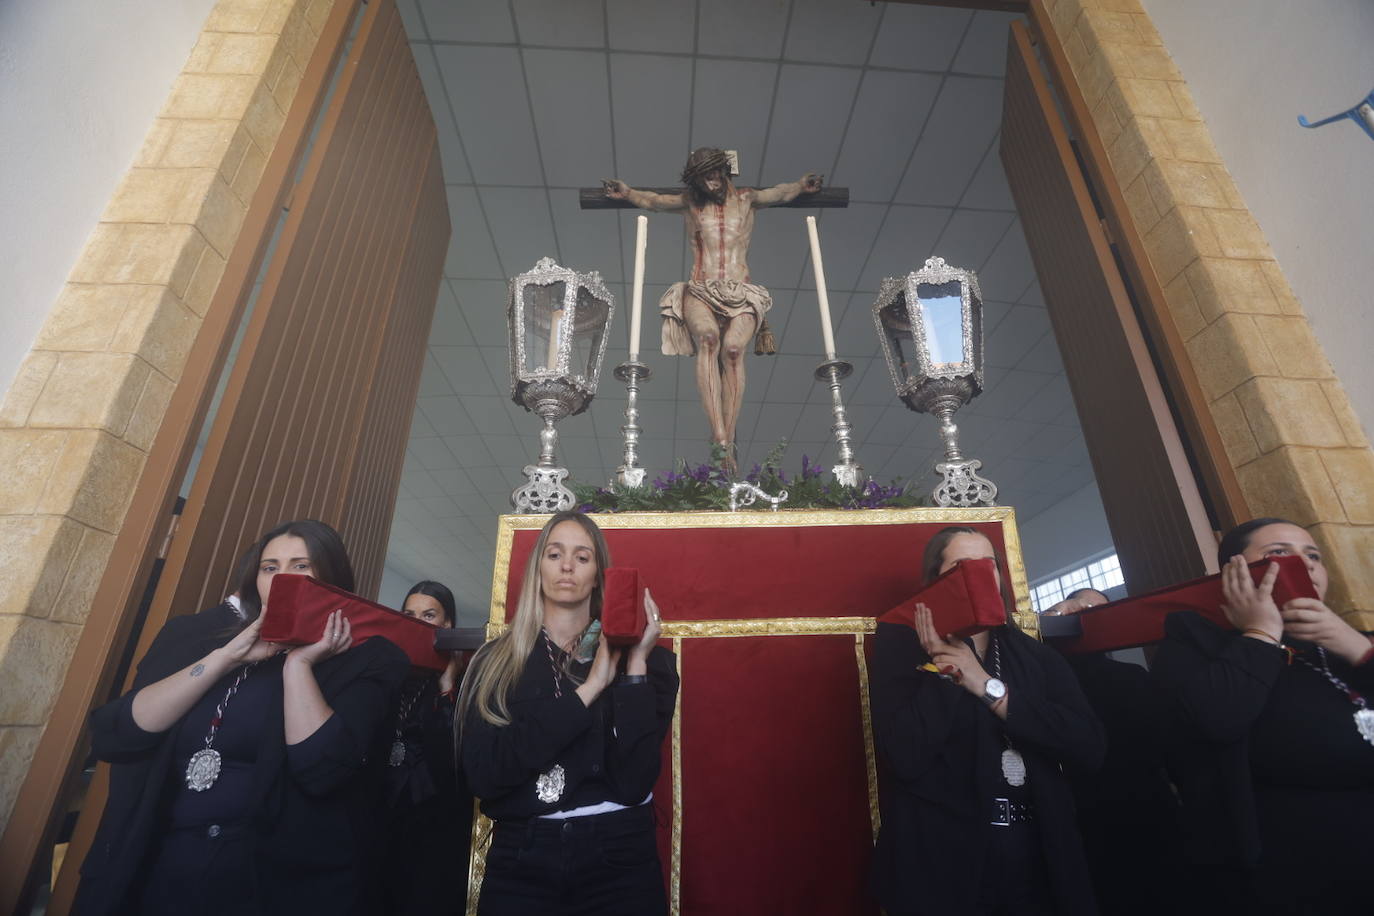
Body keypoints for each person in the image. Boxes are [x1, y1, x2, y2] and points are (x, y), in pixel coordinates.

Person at [75, 519, 409, 916]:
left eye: (301, 566)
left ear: (332, 578)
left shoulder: (368, 658)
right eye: (270, 567)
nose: (283, 578)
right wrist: (224, 659)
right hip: (159, 864)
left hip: (267, 881)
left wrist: (299, 665)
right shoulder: (196, 636)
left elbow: (323, 770)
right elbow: (118, 735)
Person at [869, 526, 1104, 916]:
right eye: (961, 565)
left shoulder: (1035, 655)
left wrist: (986, 686)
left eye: (988, 565)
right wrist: (946, 674)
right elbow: (904, 756)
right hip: (946, 861)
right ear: (935, 581)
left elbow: (1089, 746)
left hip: (1038, 851)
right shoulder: (900, 647)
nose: (978, 574)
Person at [458, 510, 678, 916]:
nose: (566, 566)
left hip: (619, 857)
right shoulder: (494, 662)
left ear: (599, 573)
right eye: (555, 554)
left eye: (582, 557)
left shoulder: (649, 663)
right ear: (538, 566)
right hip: (522, 857)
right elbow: (486, 775)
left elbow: (634, 782)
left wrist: (635, 668)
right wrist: (590, 690)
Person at [1151, 517, 1374, 914]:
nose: (1303, 564)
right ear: (1235, 571)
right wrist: (1261, 633)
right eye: (1278, 553)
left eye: (1313, 555)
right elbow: (1215, 721)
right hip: (1285, 869)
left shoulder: (1353, 642)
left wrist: (1357, 646)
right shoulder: (1195, 641)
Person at [603, 149, 822, 465]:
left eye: (715, 174)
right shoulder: (691, 203)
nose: (712, 182)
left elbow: (783, 192)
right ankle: (718, 434)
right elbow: (653, 201)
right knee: (707, 339)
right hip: (701, 290)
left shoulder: (747, 199)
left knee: (733, 351)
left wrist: (802, 185)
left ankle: (728, 437)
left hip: (741, 292)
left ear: (724, 172)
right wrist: (627, 193)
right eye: (704, 178)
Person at [1044, 588, 1182, 916]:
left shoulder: (1132, 678)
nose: (1090, 616)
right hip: (1082, 812)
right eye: (1082, 608)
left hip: (1146, 807)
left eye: (1100, 610)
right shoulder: (1045, 678)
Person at [376, 580, 473, 915]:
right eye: (409, 614)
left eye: (428, 615)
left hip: (435, 825)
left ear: (447, 626)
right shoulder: (390, 673)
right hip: (384, 816)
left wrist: (447, 685)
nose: (417, 621)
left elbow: (456, 760)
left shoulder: (464, 683)